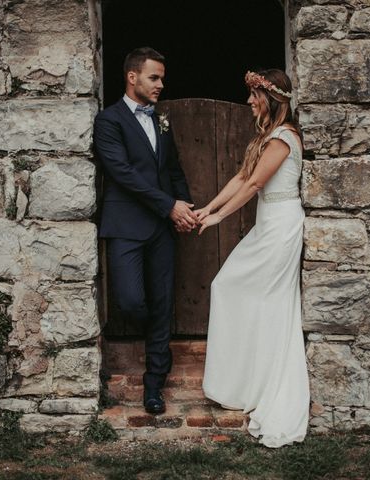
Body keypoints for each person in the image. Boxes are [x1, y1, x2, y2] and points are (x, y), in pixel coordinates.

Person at [197, 69, 309, 447]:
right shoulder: (266, 137)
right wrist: (207, 207)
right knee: (233, 289)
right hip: (268, 224)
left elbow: (257, 184)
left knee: (252, 295)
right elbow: (242, 177)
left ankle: (264, 383)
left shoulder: (285, 136)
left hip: (281, 225)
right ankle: (246, 380)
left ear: (271, 98)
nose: (249, 102)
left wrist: (220, 218)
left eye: (254, 96)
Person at [93, 47, 197, 414]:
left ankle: (154, 387)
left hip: (162, 229)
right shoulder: (109, 121)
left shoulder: (161, 120)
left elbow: (172, 169)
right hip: (126, 226)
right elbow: (123, 173)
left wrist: (184, 207)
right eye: (154, 77)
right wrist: (168, 204)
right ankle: (145, 350)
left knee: (163, 303)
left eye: (162, 78)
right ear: (132, 77)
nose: (160, 84)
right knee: (132, 300)